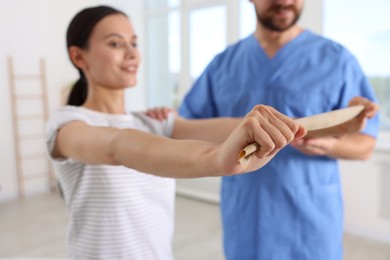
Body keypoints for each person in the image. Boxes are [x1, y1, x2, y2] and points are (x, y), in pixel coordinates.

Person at [45, 5, 310, 260]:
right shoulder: (67, 123)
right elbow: (116, 144)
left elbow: (230, 127)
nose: (131, 53)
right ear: (79, 57)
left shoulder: (154, 122)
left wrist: (288, 125)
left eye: (134, 43)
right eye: (115, 43)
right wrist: (217, 159)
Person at [178, 0, 380, 259]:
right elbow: (185, 129)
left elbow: (365, 146)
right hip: (245, 217)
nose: (285, 1)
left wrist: (329, 145)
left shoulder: (336, 59)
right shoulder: (224, 64)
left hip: (311, 221)